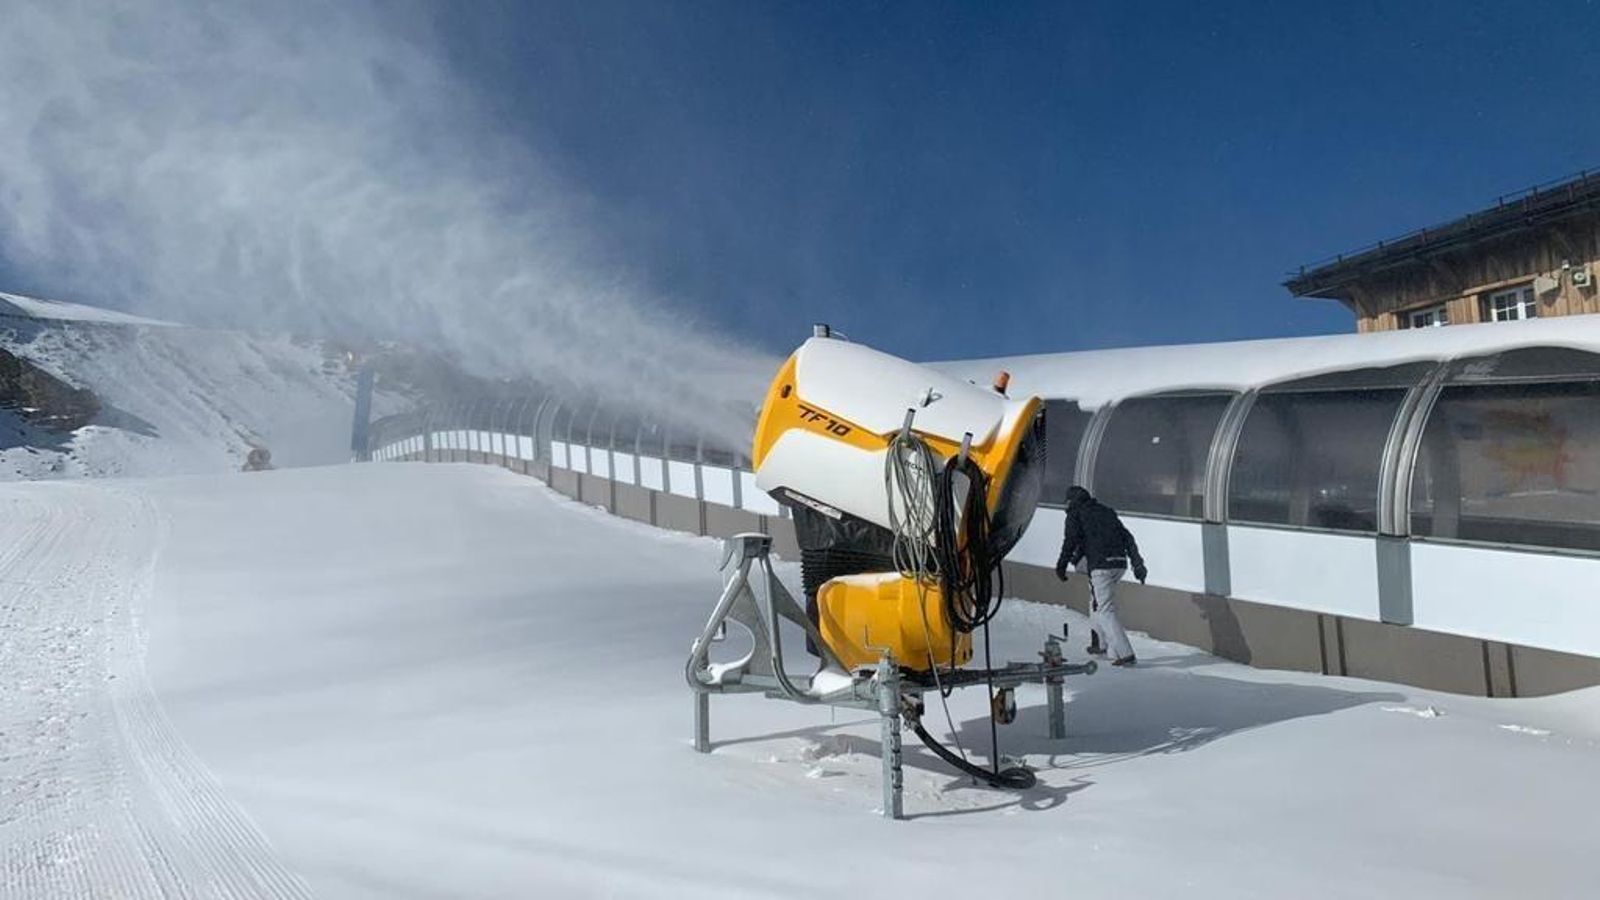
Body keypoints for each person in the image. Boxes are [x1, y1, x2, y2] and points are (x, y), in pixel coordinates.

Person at [1054, 485, 1146, 667]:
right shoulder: (1107, 512)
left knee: (1105, 610)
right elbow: (1128, 538)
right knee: (1097, 600)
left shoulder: (1076, 513)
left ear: (1072, 502)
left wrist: (1062, 565)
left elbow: (1070, 540)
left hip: (1100, 566)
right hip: (1119, 564)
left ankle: (1126, 654)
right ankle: (1101, 644)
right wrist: (1138, 565)